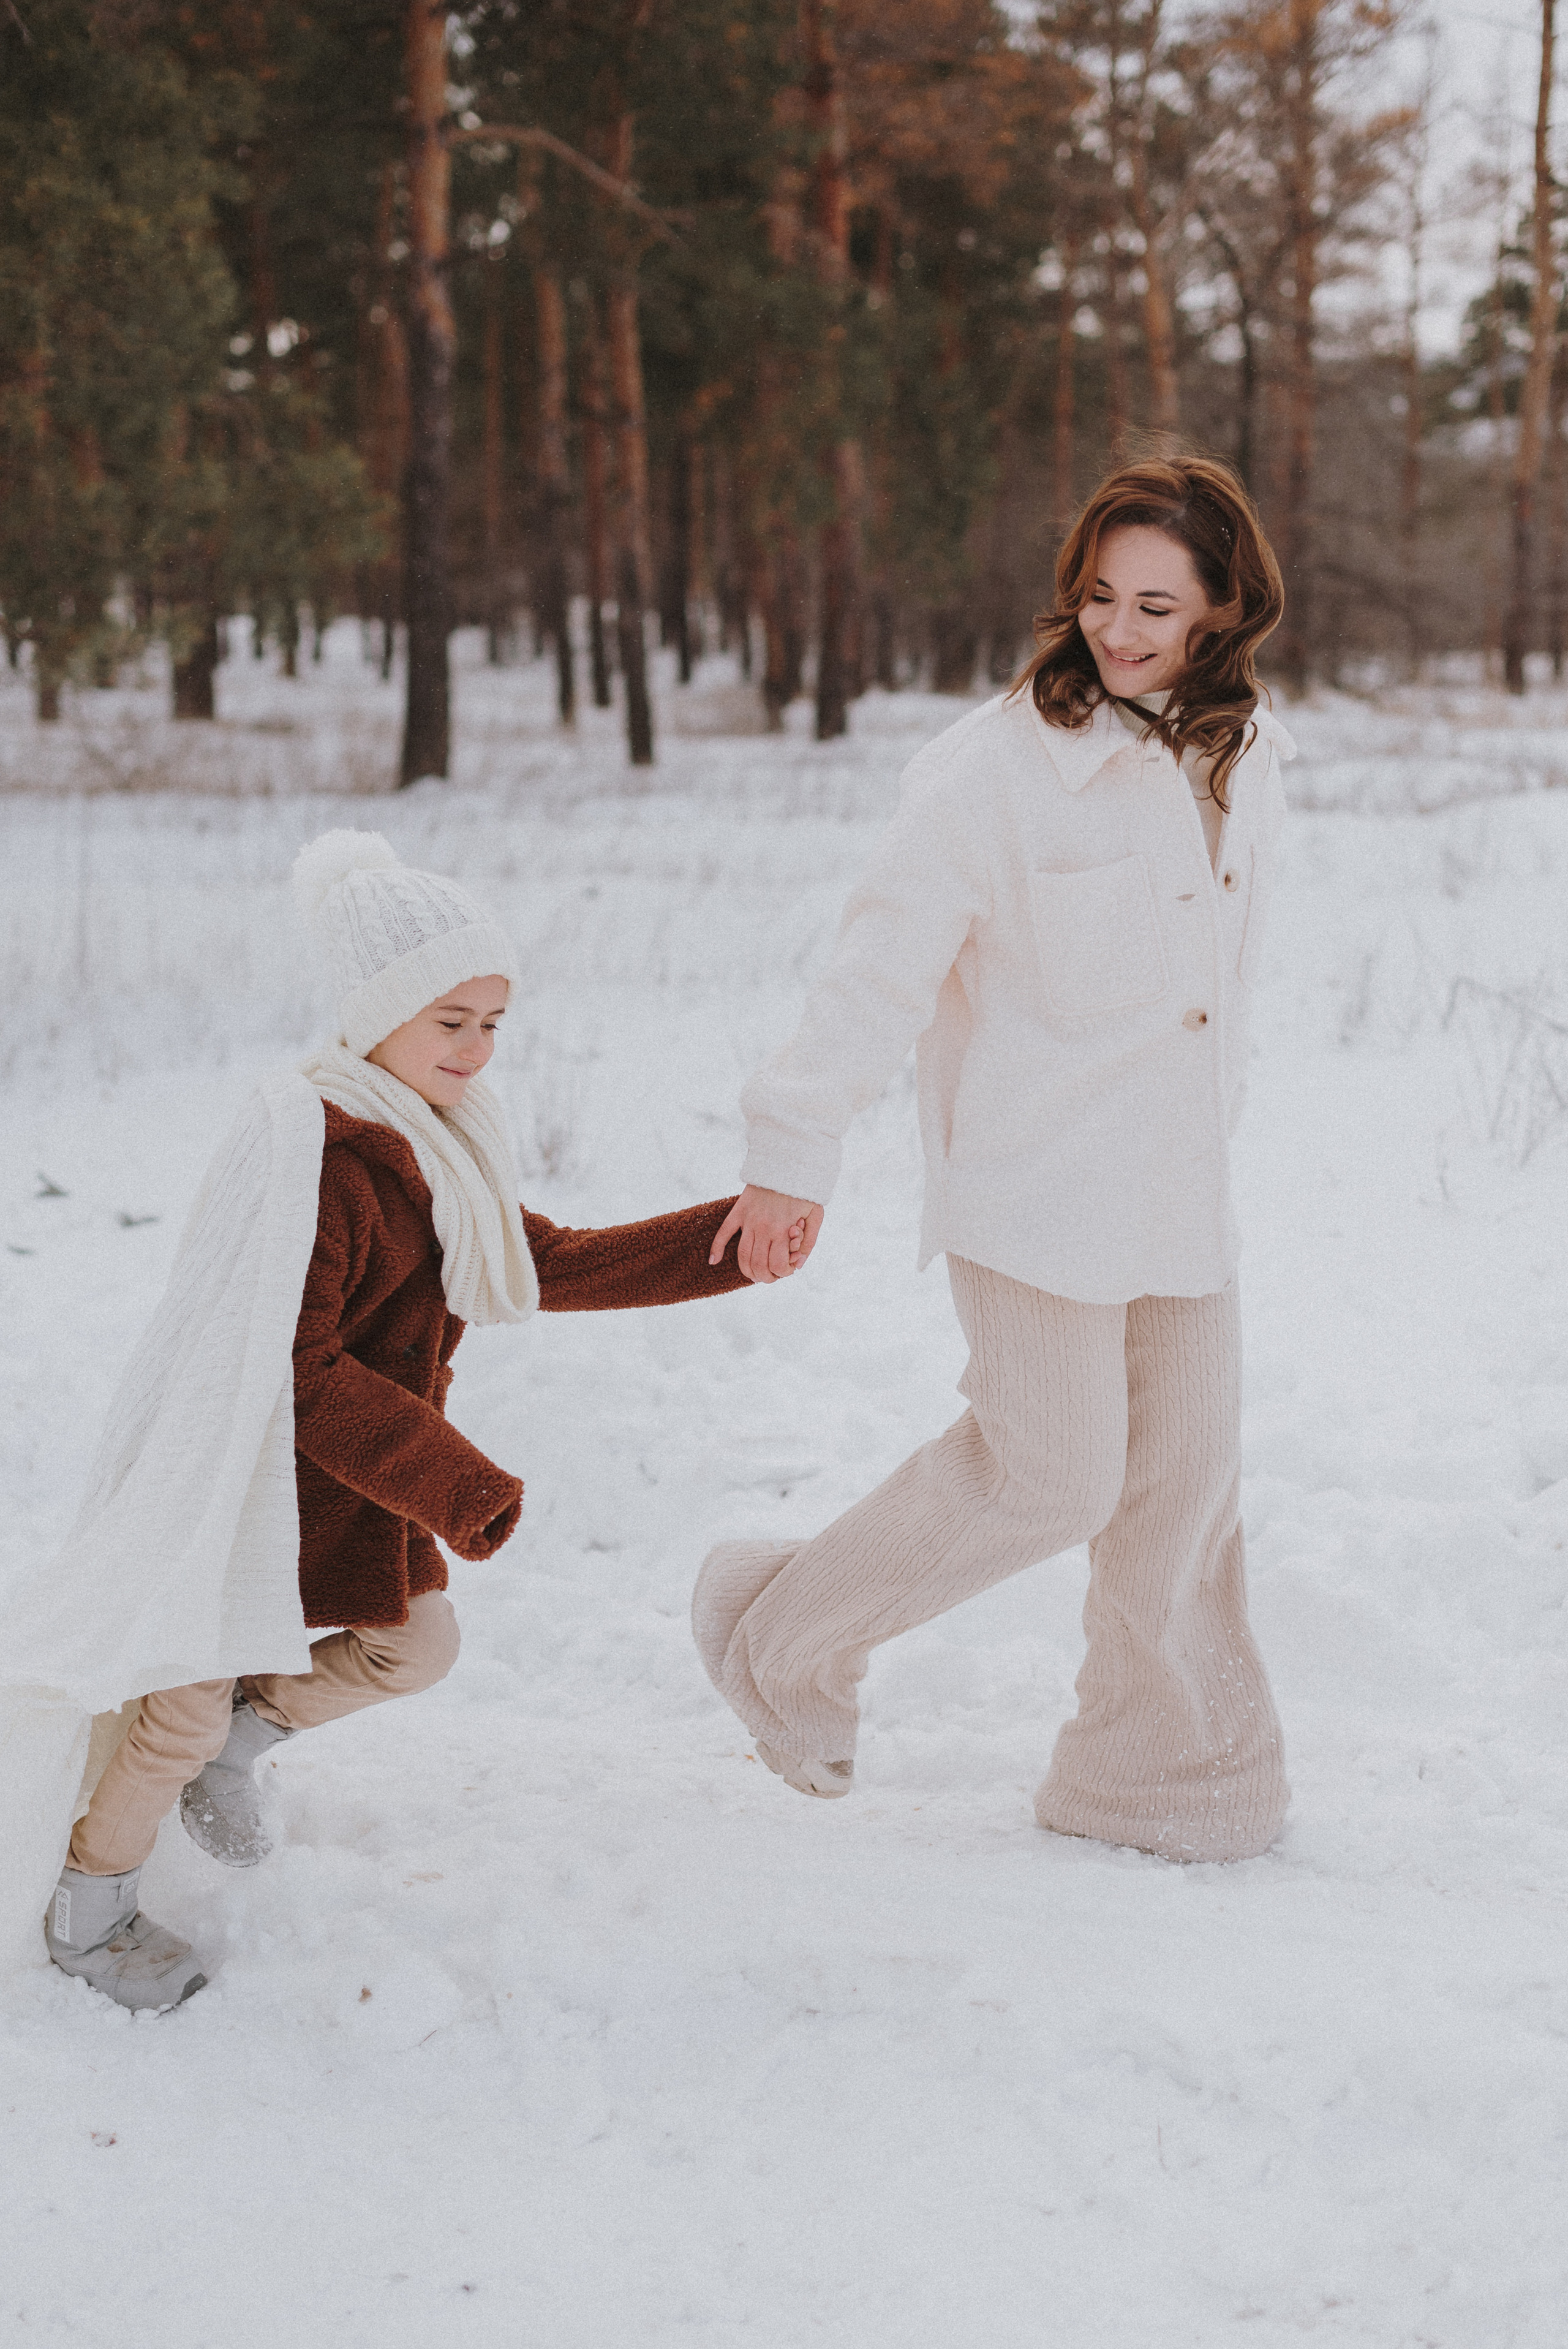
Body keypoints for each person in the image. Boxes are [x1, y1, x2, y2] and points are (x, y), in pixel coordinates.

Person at [39, 830, 791, 2010]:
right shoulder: (322, 1156)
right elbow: (295, 1367)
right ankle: (91, 1911)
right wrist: (450, 1477)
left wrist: (726, 1243)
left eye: (494, 1021)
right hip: (234, 1488)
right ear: (376, 1011)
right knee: (168, 1717)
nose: (478, 1048)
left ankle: (249, 1730)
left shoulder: (441, 1146)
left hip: (334, 1489)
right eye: (452, 1020)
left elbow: (545, 1259)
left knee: (413, 1647)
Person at [694, 453, 1295, 1862]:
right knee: (1048, 1475)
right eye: (1098, 596)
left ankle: (1161, 1779)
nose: (1119, 628)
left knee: (1185, 1486)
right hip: (1032, 1186)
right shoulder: (986, 774)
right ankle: (777, 1634)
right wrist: (793, 1148)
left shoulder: (1245, 753)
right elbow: (875, 974)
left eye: (1156, 603)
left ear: (1222, 608)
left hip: (1177, 1189)